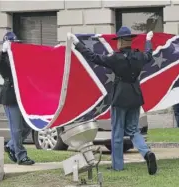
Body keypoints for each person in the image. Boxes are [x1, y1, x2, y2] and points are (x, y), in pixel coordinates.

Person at [67, 27, 157, 175]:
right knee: (134, 130)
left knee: (117, 132)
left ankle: (118, 166)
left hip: (120, 97)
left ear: (121, 41)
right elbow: (149, 54)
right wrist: (148, 41)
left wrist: (77, 43)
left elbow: (93, 57)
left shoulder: (115, 58)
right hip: (135, 95)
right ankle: (146, 153)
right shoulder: (139, 56)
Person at [0, 32, 35, 165]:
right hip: (11, 98)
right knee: (16, 129)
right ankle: (21, 156)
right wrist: (3, 51)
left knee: (28, 126)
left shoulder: (21, 57)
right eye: (13, 43)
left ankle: (11, 145)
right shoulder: (4, 60)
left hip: (23, 98)